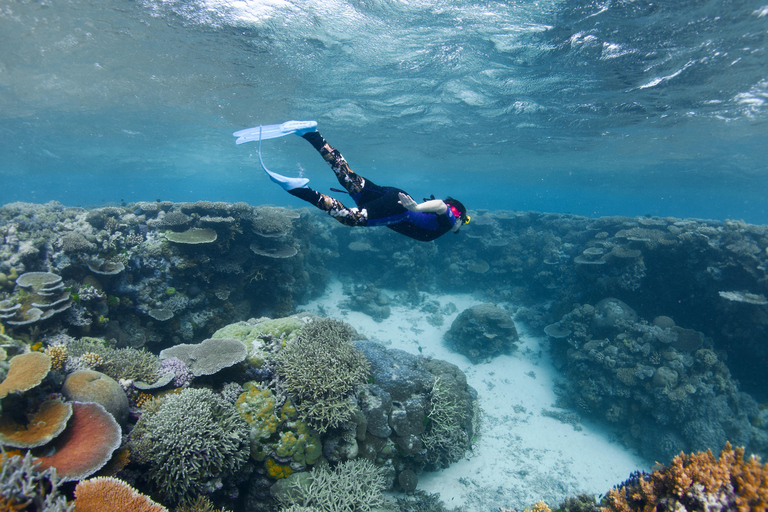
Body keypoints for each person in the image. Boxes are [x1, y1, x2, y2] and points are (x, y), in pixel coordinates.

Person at [233, 121, 470, 242]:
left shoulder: (443, 222)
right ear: (459, 214)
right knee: (350, 218)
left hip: (391, 196)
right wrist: (416, 208)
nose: (461, 226)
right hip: (398, 208)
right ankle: (300, 190)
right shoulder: (450, 220)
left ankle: (311, 133)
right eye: (465, 221)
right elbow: (440, 206)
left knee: (346, 176)